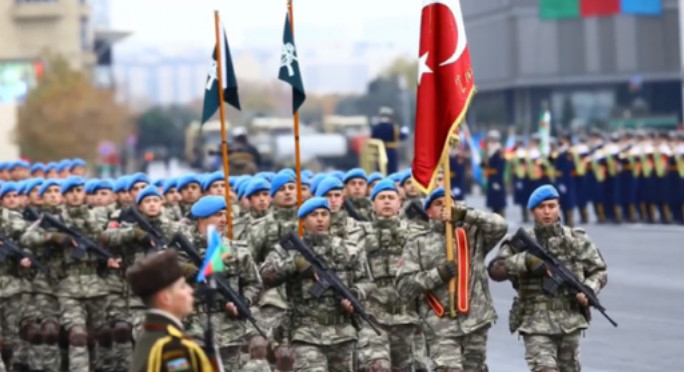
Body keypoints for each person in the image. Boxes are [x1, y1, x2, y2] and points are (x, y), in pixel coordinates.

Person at [488, 185, 608, 372]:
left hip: (570, 322)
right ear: (532, 211)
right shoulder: (520, 241)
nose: (547, 212)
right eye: (541, 207)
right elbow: (495, 270)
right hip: (536, 323)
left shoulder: (577, 239)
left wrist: (589, 289)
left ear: (559, 206)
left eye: (551, 206)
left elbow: (599, 271)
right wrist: (526, 261)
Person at [128, 250, 215, 372]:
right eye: (182, 286)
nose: (190, 290)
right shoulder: (173, 347)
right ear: (165, 298)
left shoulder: (148, 338)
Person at [371, 107, 408, 174]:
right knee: (392, 171)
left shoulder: (376, 128)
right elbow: (402, 136)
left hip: (379, 151)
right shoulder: (394, 127)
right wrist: (405, 131)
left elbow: (372, 138)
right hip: (391, 151)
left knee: (380, 170)